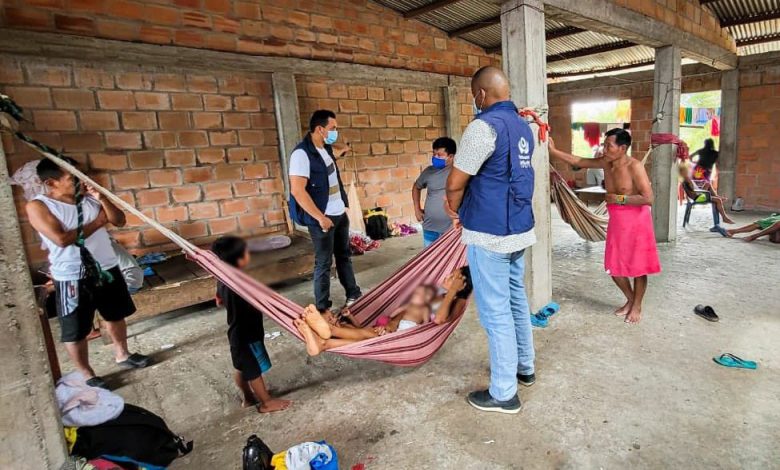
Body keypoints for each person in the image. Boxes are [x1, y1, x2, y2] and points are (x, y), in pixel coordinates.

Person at [444, 66, 537, 414]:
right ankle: (524, 368)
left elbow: (456, 182)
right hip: (519, 229)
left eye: (473, 96)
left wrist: (454, 211)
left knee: (495, 313)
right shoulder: (522, 127)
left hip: (489, 232)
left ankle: (503, 393)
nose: (474, 102)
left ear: (481, 95)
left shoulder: (483, 127)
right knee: (515, 301)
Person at [26, 158, 149, 389]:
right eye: (72, 177)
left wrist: (102, 198)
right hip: (72, 275)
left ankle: (122, 354)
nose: (80, 180)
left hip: (107, 268)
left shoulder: (88, 199)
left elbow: (119, 221)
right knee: (75, 330)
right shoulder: (39, 206)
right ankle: (87, 373)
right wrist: (98, 222)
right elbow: (62, 239)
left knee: (115, 315)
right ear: (51, 182)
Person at [549, 128, 661, 324]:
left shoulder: (634, 167)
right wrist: (553, 151)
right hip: (617, 221)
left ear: (622, 148)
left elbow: (648, 198)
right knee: (614, 267)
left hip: (637, 222)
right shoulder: (605, 163)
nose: (604, 148)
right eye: (604, 144)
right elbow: (578, 161)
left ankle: (636, 306)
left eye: (608, 145)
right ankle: (630, 299)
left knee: (638, 267)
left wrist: (619, 198)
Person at [294, 269, 470, 356]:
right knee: (362, 334)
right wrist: (391, 321)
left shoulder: (457, 302)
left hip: (406, 334)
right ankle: (322, 343)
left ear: (461, 285)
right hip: (394, 326)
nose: (448, 277)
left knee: (364, 334)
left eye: (453, 278)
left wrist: (454, 292)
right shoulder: (440, 293)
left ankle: (329, 330)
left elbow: (440, 320)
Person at [288, 109, 362, 313]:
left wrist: (343, 146)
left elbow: (336, 154)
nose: (335, 132)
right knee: (324, 262)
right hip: (323, 218)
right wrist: (320, 218)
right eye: (333, 128)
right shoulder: (301, 154)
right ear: (320, 129)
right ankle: (322, 307)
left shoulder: (325, 149)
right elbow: (297, 191)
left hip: (339, 213)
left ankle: (353, 294)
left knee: (344, 256)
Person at [212, 236, 292, 413]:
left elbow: (218, 300)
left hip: (244, 333)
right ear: (239, 259)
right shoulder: (238, 285)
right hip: (243, 335)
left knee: (242, 368)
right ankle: (265, 403)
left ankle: (248, 398)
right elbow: (254, 302)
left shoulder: (226, 278)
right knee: (252, 370)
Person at [413, 137, 457, 247]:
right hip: (430, 227)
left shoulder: (458, 173)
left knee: (450, 262)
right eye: (434, 154)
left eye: (440, 155)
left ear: (450, 156)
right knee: (430, 261)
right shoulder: (428, 172)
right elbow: (416, 187)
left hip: (452, 229)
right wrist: (417, 209)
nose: (435, 157)